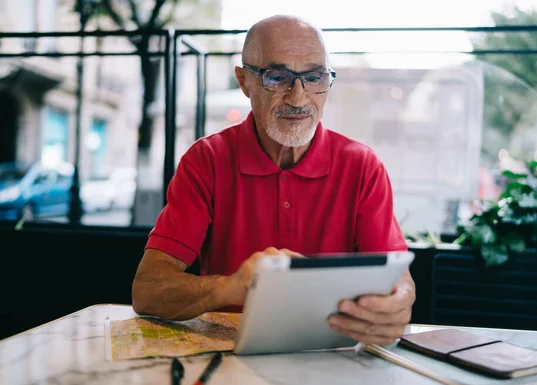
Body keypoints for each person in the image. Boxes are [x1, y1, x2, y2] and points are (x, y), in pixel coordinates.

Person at [132, 14, 416, 346]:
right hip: (229, 356)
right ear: (244, 82)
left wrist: (397, 302)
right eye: (277, 77)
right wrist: (232, 286)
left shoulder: (363, 167)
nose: (298, 98)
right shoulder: (206, 161)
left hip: (333, 354)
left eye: (313, 77)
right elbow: (147, 289)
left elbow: (400, 281)